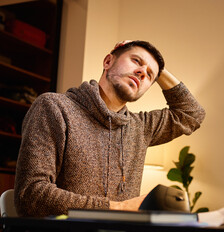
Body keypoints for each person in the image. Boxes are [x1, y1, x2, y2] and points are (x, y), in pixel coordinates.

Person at [14, 40, 206, 217]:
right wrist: (119, 208)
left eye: (149, 75)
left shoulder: (141, 127)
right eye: (136, 61)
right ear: (108, 62)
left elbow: (192, 114)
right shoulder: (54, 107)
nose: (142, 72)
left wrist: (159, 69)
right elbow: (31, 194)